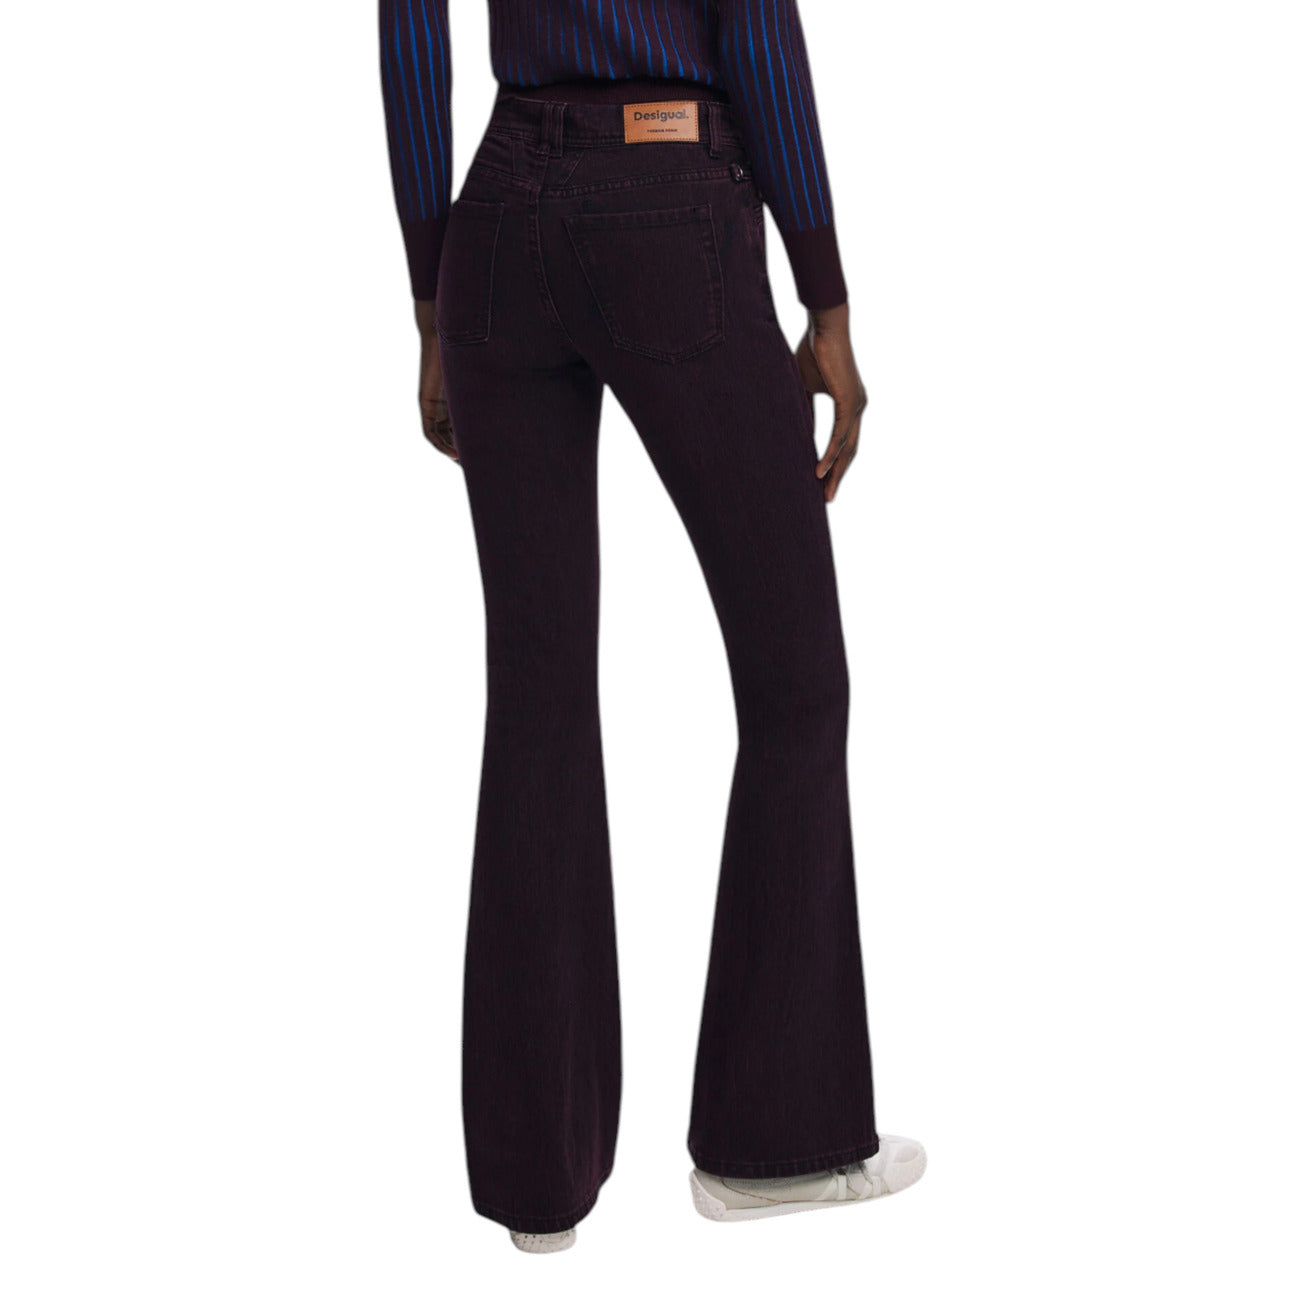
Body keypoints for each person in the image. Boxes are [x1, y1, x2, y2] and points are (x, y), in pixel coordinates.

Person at [379, 0, 924, 1253]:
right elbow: (757, 27)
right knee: (795, 686)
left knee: (536, 695)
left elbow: (408, 27)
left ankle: (537, 1186)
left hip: (497, 222)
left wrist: (428, 292)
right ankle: (772, 1142)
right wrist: (826, 296)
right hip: (670, 204)